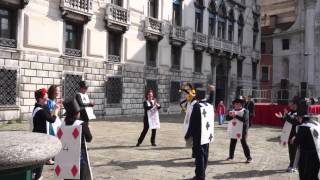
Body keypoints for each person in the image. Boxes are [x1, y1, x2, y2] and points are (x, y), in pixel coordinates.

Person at [185, 84, 215, 180]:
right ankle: (202, 173)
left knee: (199, 157)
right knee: (205, 154)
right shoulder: (208, 104)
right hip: (207, 135)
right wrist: (212, 92)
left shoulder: (197, 106)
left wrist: (187, 135)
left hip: (199, 136)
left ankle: (200, 176)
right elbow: (211, 100)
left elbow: (192, 124)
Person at [32, 88, 61, 180]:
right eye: (45, 98)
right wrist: (56, 111)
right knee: (41, 157)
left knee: (39, 157)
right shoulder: (40, 111)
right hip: (40, 137)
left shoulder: (40, 108)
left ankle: (35, 174)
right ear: (40, 99)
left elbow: (49, 116)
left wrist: (55, 108)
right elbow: (52, 119)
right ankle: (38, 176)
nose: (47, 99)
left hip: (39, 135)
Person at [294, 100, 320, 180]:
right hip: (317, 155)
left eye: (297, 117)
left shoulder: (303, 127)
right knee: (314, 175)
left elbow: (297, 142)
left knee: (306, 175)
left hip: (306, 156)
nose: (297, 119)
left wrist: (294, 139)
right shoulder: (316, 124)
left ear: (301, 117)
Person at [275, 97, 300, 172]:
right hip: (289, 134)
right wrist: (281, 118)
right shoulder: (289, 112)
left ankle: (294, 166)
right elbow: (287, 122)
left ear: (295, 104)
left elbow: (294, 122)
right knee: (291, 151)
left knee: (295, 151)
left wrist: (287, 116)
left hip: (295, 135)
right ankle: (291, 164)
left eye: (290, 103)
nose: (289, 104)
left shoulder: (298, 113)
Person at [226, 98, 252, 163]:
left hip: (242, 130)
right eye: (235, 104)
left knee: (244, 143)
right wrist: (231, 116)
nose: (237, 105)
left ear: (241, 104)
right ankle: (231, 156)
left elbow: (244, 119)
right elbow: (227, 118)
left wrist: (236, 115)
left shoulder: (245, 111)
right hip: (234, 129)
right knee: (232, 143)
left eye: (238, 104)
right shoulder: (232, 110)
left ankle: (249, 157)